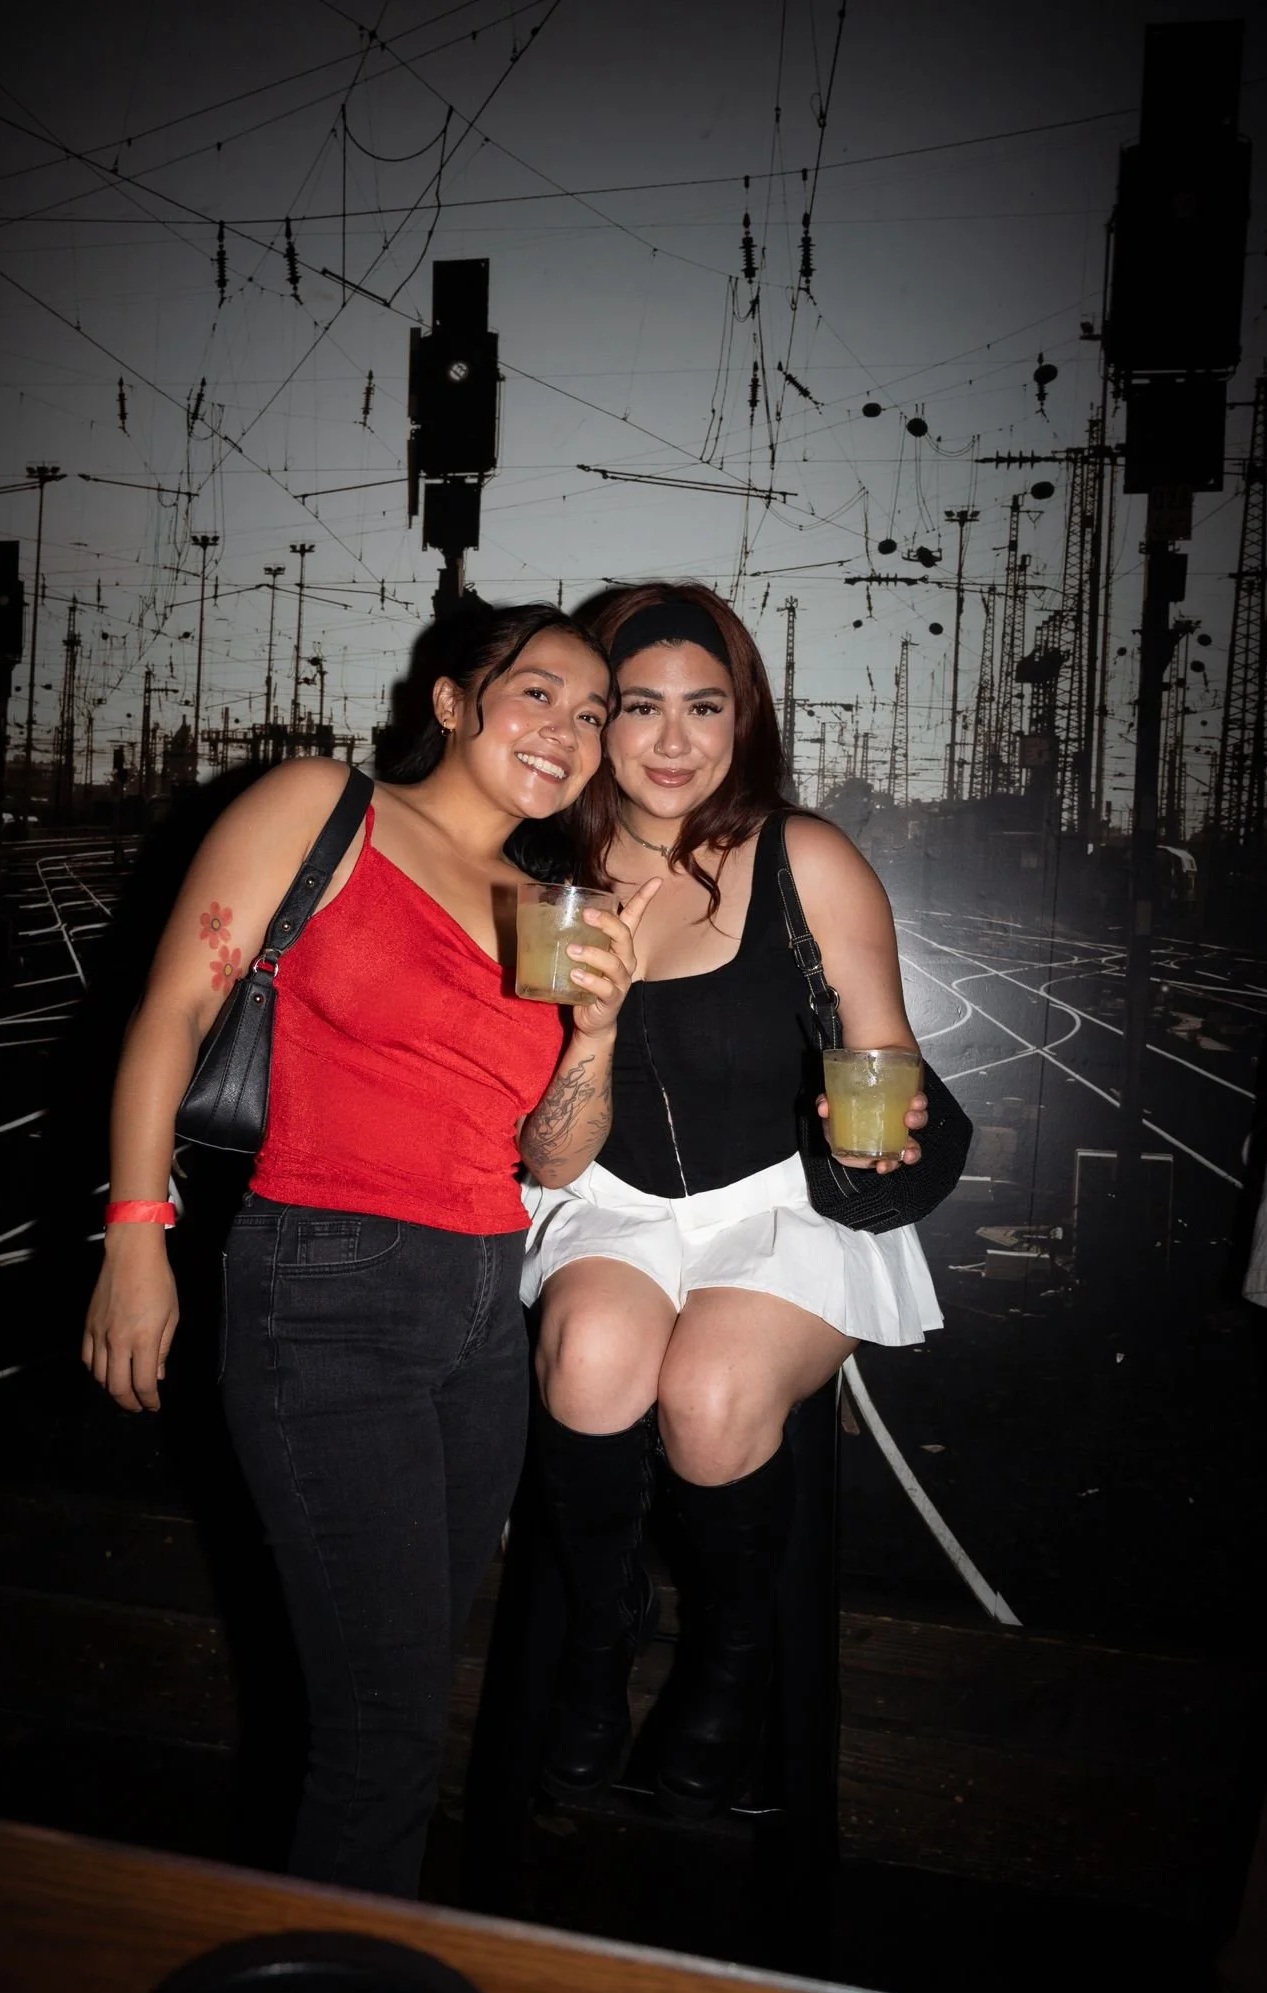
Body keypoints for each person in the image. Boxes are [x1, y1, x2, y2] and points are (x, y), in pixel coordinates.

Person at [82, 602, 658, 1897]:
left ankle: (335, 1969)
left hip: (479, 1313)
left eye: (589, 716)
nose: (566, 732)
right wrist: (136, 1234)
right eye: (536, 695)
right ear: (453, 702)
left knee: (397, 1702)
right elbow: (175, 1004)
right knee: (381, 1733)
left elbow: (552, 1158)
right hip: (325, 1289)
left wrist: (598, 1036)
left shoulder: (544, 903)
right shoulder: (328, 806)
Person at [518, 582, 940, 1819]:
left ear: (743, 716)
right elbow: (547, 1153)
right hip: (612, 1196)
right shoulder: (553, 874)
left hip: (781, 1206)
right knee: (591, 1360)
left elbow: (884, 1053)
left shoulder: (807, 855)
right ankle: (600, 1642)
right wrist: (588, 1029)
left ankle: (732, 1656)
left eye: (703, 706)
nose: (670, 739)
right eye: (638, 706)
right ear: (600, 721)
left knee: (708, 1396)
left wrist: (883, 1130)